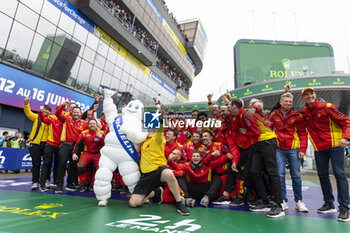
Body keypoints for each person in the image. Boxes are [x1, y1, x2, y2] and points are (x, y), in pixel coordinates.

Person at [228, 98, 284, 218]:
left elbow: (256, 132)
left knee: (272, 171)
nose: (227, 109)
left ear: (234, 107)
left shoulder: (246, 115)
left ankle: (279, 205)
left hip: (267, 141)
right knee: (253, 172)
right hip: (258, 144)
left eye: (228, 106)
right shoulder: (240, 115)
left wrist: (244, 133)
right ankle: (265, 201)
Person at [300, 87, 350, 222]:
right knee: (322, 175)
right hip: (319, 148)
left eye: (312, 93)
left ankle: (344, 208)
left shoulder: (328, 107)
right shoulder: (303, 112)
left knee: (339, 174)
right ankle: (329, 203)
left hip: (335, 146)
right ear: (303, 98)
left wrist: (346, 138)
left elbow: (346, 121)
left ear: (315, 94)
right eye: (306, 94)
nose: (310, 96)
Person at [129, 107, 190, 216]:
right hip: (146, 175)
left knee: (169, 174)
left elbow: (160, 129)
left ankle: (179, 203)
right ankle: (155, 193)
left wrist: (161, 116)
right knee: (134, 203)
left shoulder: (159, 137)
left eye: (153, 124)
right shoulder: (143, 140)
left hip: (159, 170)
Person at [268, 92, 309, 212]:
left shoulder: (297, 115)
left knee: (296, 175)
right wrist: (271, 146)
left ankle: (299, 201)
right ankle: (283, 200)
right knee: (279, 175)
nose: (288, 103)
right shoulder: (274, 115)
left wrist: (302, 149)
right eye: (286, 101)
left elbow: (303, 133)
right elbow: (268, 131)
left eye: (290, 102)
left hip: (294, 148)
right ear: (280, 102)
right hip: (279, 149)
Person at [55, 100, 86, 193]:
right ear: (71, 112)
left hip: (76, 147)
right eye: (74, 112)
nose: (76, 113)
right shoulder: (67, 119)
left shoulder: (84, 124)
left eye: (78, 112)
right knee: (61, 165)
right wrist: (63, 105)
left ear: (80, 113)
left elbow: (93, 129)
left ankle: (69, 184)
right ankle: (59, 185)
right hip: (65, 145)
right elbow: (57, 113)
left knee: (73, 167)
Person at [24, 97, 51, 190]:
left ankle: (47, 180)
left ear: (50, 112)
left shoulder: (52, 119)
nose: (45, 111)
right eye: (43, 109)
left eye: (47, 110)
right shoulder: (37, 117)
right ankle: (35, 182)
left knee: (47, 164)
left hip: (47, 145)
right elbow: (28, 113)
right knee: (35, 164)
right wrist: (26, 104)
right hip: (35, 144)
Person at [72, 119, 104, 192]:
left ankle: (94, 184)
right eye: (90, 124)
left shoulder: (101, 133)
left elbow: (107, 143)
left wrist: (101, 138)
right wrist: (74, 153)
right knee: (80, 167)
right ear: (88, 125)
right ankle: (83, 184)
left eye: (94, 124)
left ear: (96, 125)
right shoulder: (83, 133)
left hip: (97, 154)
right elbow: (77, 145)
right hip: (87, 153)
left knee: (99, 170)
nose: (92, 125)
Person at [38, 107, 63, 191]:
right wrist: (41, 112)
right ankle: (42, 184)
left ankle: (56, 182)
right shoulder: (52, 120)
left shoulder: (65, 122)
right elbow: (43, 119)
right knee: (46, 164)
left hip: (60, 146)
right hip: (50, 145)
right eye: (60, 113)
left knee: (58, 165)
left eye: (63, 113)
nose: (61, 114)